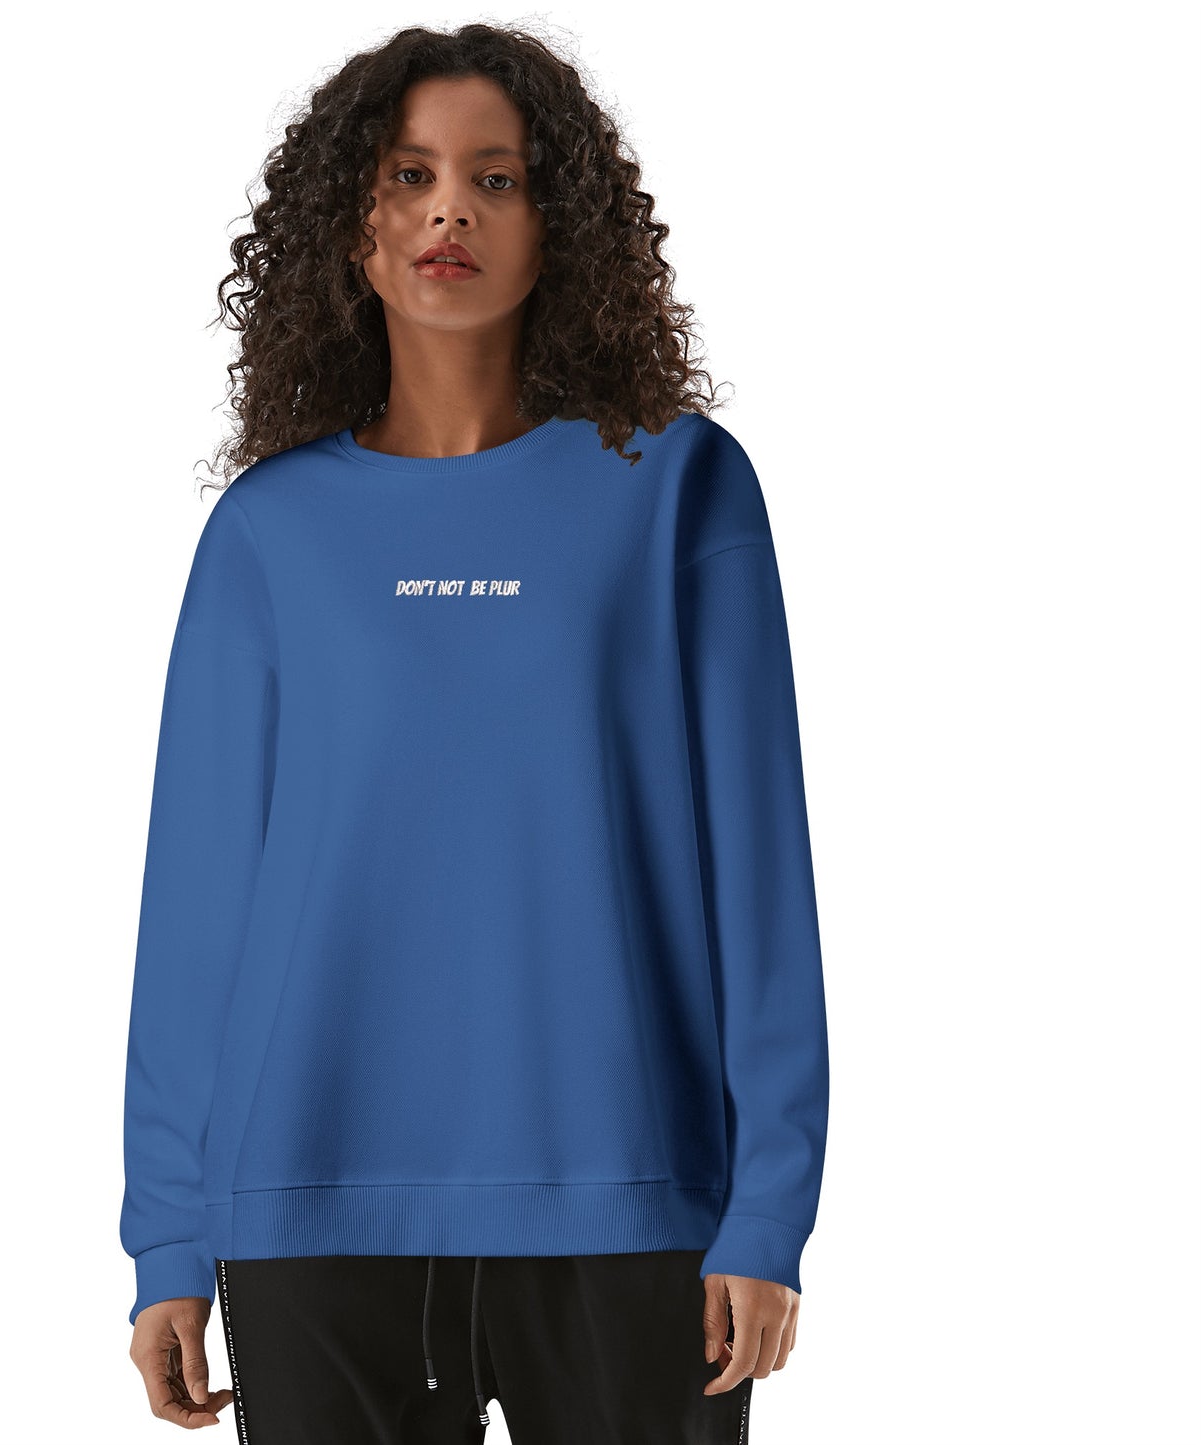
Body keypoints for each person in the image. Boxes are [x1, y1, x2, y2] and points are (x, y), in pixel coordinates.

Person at [119, 22, 829, 1444]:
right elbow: (199, 908)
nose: (449, 209)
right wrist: (170, 1236)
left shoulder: (676, 488)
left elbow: (758, 870)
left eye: (496, 179)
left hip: (632, 1202)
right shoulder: (268, 531)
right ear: (353, 223)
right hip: (311, 1200)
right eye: (409, 174)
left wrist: (768, 1204)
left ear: (559, 227)